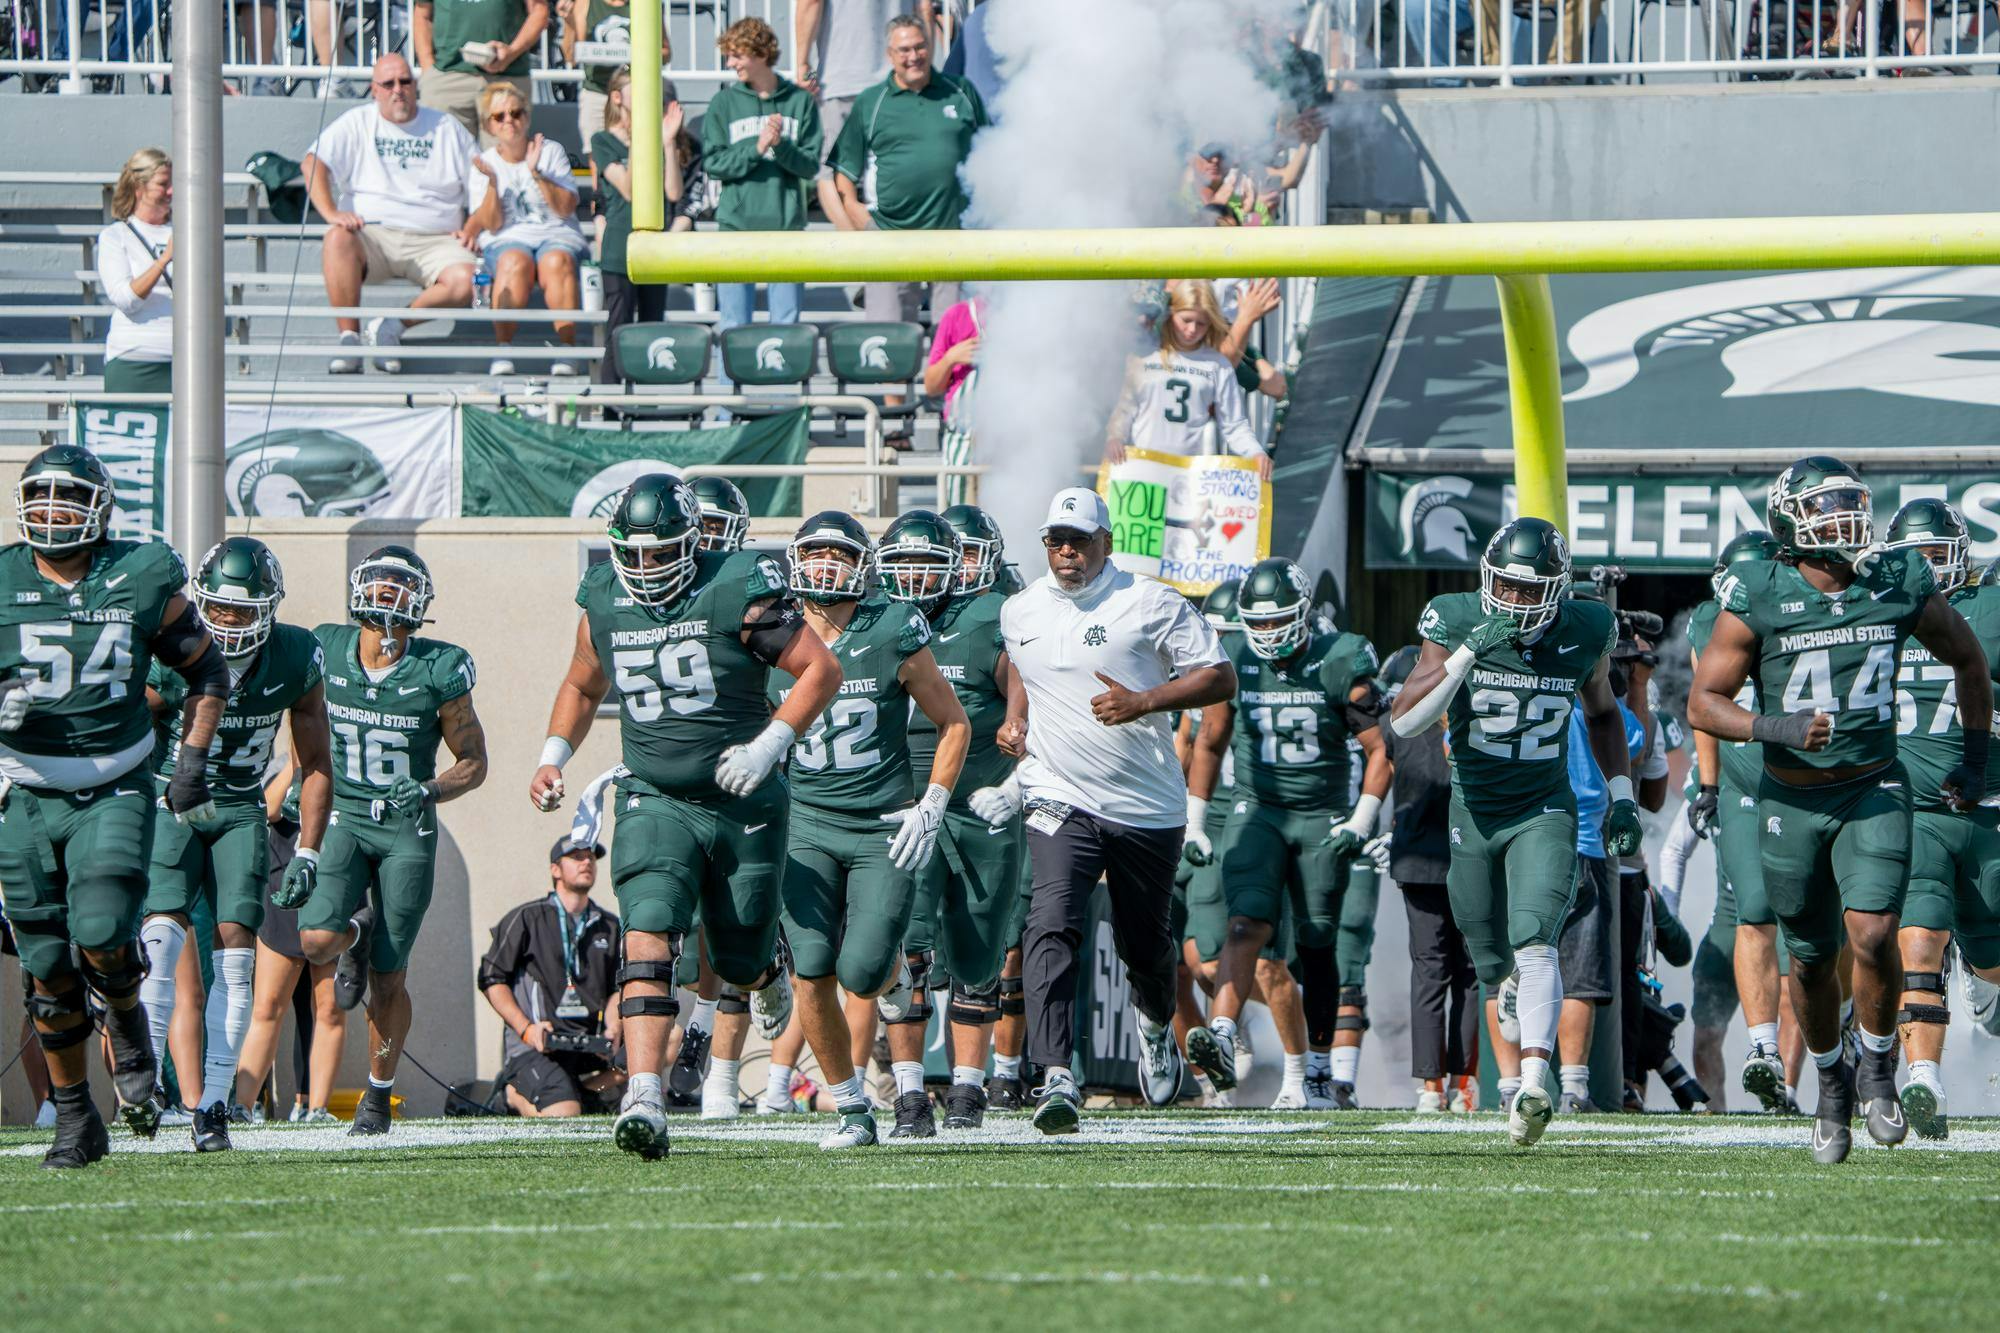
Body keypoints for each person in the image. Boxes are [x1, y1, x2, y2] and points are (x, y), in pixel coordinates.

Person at [528, 473, 843, 1161]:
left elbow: (820, 670)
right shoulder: (605, 601)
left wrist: (770, 743)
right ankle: (644, 1095)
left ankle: (766, 971)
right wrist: (554, 754)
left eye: (659, 552)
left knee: (737, 954)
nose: (644, 569)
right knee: (648, 933)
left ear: (690, 542)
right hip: (655, 796)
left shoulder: (734, 585)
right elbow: (583, 680)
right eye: (632, 554)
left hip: (743, 801)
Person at [1688, 456, 1991, 1163]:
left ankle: (1878, 1067)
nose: (1848, 517)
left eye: (1853, 502)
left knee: (1876, 932)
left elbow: (1968, 659)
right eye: (1829, 506)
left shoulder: (1895, 579)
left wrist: (1972, 762)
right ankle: (1829, 1081)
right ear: (1791, 518)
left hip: (1872, 787)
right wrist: (1775, 727)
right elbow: (1704, 700)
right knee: (1810, 958)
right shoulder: (1759, 589)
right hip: (1791, 796)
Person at [0, 445, 233, 1167]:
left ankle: (127, 1017)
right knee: (44, 964)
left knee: (101, 925)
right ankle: (77, 1118)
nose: (51, 512)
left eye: (67, 499)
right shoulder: (4, 574)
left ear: (99, 507)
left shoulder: (140, 570)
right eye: (39, 497)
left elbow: (207, 668)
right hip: (22, 788)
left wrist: (190, 761)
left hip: (113, 781)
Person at [1391, 516, 1642, 1149]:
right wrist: (1470, 650)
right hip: (1472, 812)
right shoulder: (1454, 617)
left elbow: (1606, 713)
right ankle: (1517, 1014)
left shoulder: (1586, 626)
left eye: (1532, 591)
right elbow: (1406, 721)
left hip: (1544, 808)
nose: (1517, 601)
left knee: (1536, 938)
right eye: (1506, 586)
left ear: (1559, 589)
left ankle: (1533, 1081)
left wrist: (1619, 796)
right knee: (1489, 956)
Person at [997, 488, 1237, 1134]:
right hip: (1057, 793)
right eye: (1055, 539)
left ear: (1105, 541)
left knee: (1145, 945)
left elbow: (1220, 676)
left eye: (1078, 539)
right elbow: (1020, 659)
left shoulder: (1147, 599)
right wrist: (1017, 715)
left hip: (1144, 802)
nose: (1066, 551)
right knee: (1051, 921)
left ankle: (1157, 1028)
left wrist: (1146, 701)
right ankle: (1054, 1071)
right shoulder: (1020, 608)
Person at [771, 510, 970, 1148]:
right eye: (817, 552)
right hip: (803, 821)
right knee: (810, 967)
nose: (827, 566)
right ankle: (853, 1108)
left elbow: (955, 722)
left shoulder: (891, 627)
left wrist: (933, 801)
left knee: (860, 971)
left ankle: (893, 976)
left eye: (841, 553)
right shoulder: (769, 630)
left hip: (879, 824)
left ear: (865, 564)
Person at [134, 538, 333, 1153]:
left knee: (237, 955)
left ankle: (216, 1104)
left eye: (241, 613)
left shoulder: (295, 656)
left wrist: (307, 849)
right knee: (160, 942)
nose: (225, 623)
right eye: (216, 609)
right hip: (173, 798)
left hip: (241, 808)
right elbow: (121, 726)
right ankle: (144, 1094)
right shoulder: (171, 652)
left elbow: (317, 760)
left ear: (269, 610)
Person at [290, 546, 488, 1137]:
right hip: (347, 816)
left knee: (390, 975)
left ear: (423, 600)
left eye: (400, 585)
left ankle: (378, 1095)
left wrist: (427, 789)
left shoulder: (440, 666)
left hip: (407, 827)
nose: (387, 595)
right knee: (317, 939)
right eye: (377, 583)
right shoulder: (322, 647)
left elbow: (474, 762)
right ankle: (358, 928)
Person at [1183, 557, 1387, 1110]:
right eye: (1260, 623)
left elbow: (1380, 749)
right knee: (1245, 921)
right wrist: (1196, 819)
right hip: (1259, 809)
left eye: (1279, 621)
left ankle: (1319, 1067)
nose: (1268, 633)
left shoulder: (1340, 657)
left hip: (1322, 813)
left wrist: (1362, 819)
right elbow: (1208, 742)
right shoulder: (1237, 659)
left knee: (1319, 945)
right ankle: (1224, 1033)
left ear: (1304, 615)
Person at [901, 504, 1025, 1128]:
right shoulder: (881, 616)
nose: (917, 577)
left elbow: (1031, 697)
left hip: (978, 803)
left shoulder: (991, 615)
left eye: (931, 564)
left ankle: (972, 1088)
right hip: (904, 809)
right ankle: (908, 1089)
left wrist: (1018, 737)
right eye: (906, 565)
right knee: (908, 952)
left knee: (979, 953)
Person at [1882, 499, 2000, 1140]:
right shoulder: (1877, 614)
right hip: (1913, 811)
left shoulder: (1991, 610)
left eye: (1934, 556)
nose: (1925, 570)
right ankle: (1923, 1078)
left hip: (1990, 815)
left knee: (1992, 965)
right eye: (1913, 558)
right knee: (1918, 946)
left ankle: (1986, 992)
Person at [1687, 528, 1804, 1113]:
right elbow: (1703, 713)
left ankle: (1784, 1090)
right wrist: (1707, 784)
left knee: (1796, 948)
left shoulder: (1799, 615)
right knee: (1709, 1005)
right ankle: (1717, 1104)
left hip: (1792, 787)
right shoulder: (1712, 623)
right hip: (1739, 798)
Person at [304, 54, 480, 375]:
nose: (398, 90)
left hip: (436, 238)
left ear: (416, 85)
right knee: (336, 239)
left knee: (470, 281)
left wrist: (475, 226)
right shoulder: (357, 121)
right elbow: (313, 162)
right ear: (375, 90)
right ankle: (349, 338)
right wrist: (331, 213)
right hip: (373, 234)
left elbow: (482, 179)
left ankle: (392, 325)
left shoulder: (446, 126)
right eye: (388, 84)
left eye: (405, 81)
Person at [828, 16, 988, 331]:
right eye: (904, 50)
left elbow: (991, 149)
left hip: (952, 235)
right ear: (890, 55)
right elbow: (843, 169)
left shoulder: (961, 91)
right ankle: (894, 383)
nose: (913, 56)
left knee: (955, 342)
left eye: (919, 47)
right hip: (891, 236)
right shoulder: (872, 101)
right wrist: (855, 211)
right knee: (889, 343)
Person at [1377, 645, 1477, 1111]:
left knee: (1429, 971)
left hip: (1417, 856)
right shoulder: (1472, 713)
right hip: (1468, 854)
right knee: (1472, 974)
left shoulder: (1394, 723)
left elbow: (1394, 769)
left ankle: (1430, 1086)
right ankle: (1465, 1081)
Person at [479, 834, 626, 1117]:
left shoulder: (609, 924)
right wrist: (526, 1029)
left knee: (668, 1039)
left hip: (590, 1047)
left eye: (592, 857)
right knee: (564, 1115)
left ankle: (583, 1094)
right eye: (577, 856)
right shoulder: (526, 918)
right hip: (536, 1047)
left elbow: (616, 989)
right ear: (555, 869)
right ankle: (512, 1094)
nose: (587, 862)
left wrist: (613, 1026)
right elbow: (491, 979)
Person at [232, 766, 347, 1124]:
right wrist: (296, 767)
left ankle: (315, 1108)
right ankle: (242, 1106)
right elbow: (267, 808)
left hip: (334, 892)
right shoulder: (288, 772)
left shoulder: (347, 771)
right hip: (285, 893)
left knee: (329, 1007)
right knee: (267, 1006)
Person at [704, 18, 822, 360]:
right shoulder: (723, 104)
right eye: (728, 56)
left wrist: (780, 146)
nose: (731, 64)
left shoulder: (799, 102)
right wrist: (756, 148)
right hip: (735, 229)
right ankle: (729, 411)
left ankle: (781, 406)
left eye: (736, 55)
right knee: (732, 326)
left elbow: (811, 166)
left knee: (785, 326)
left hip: (786, 228)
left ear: (760, 53)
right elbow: (714, 163)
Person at [466, 82, 587, 377]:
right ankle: (504, 348)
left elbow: (566, 208)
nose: (509, 121)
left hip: (557, 235)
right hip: (508, 240)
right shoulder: (485, 164)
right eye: (499, 117)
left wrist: (537, 173)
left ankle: (567, 349)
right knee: (514, 261)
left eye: (516, 113)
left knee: (555, 261)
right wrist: (494, 183)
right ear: (489, 126)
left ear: (527, 117)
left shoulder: (551, 151)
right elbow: (493, 224)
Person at [593, 69, 705, 386]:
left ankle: (648, 403)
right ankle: (614, 406)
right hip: (619, 251)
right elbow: (628, 188)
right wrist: (640, 139)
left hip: (654, 249)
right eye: (637, 91)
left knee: (653, 330)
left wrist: (667, 144)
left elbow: (674, 194)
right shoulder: (603, 141)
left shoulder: (662, 139)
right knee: (619, 330)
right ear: (617, 98)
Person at [1104, 280, 1273, 480]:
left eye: (1201, 323)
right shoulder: (1143, 357)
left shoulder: (1218, 365)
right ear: (1171, 314)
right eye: (1185, 320)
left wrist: (1255, 452)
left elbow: (1234, 424)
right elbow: (1125, 408)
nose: (1192, 329)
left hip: (1191, 475)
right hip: (1144, 469)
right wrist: (1115, 437)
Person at [794, 0, 899, 228]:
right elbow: (925, 9)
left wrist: (802, 62)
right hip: (896, 77)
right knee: (896, 162)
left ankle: (856, 250)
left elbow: (810, 3)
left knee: (830, 173)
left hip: (843, 73)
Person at [414, 0, 549, 145]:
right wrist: (428, 67)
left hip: (507, 76)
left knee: (504, 162)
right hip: (447, 77)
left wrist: (512, 52)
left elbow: (539, 10)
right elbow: (422, 13)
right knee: (445, 157)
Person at [97, 148, 175, 397]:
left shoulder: (185, 232)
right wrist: (165, 259)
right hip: (134, 361)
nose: (171, 191)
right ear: (139, 188)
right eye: (163, 184)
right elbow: (125, 299)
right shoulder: (115, 236)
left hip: (185, 362)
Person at [563, 0, 670, 158]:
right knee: (597, 155)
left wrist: (639, 53)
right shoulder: (585, 4)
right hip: (596, 90)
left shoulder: (645, 4)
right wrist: (569, 22)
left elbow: (666, 53)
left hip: (634, 94)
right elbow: (571, 56)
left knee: (638, 153)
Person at [924, 293, 985, 507]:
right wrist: (951, 358)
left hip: (1007, 439)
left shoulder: (1024, 313)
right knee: (959, 514)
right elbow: (931, 386)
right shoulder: (956, 315)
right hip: (962, 436)